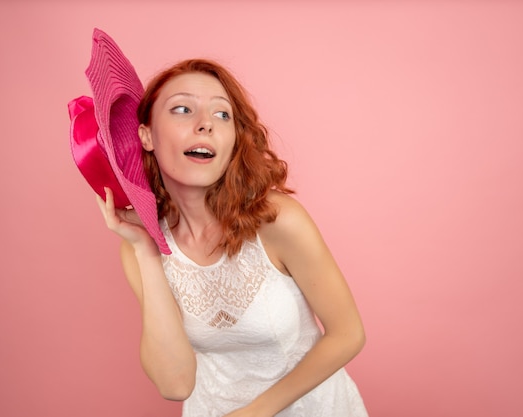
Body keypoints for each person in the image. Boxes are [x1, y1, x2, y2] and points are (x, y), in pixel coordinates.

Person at [96, 58, 368, 417]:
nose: (206, 124)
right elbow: (174, 384)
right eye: (182, 109)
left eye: (222, 115)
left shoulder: (278, 220)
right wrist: (146, 251)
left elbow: (347, 334)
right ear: (146, 135)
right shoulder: (139, 249)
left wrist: (257, 412)